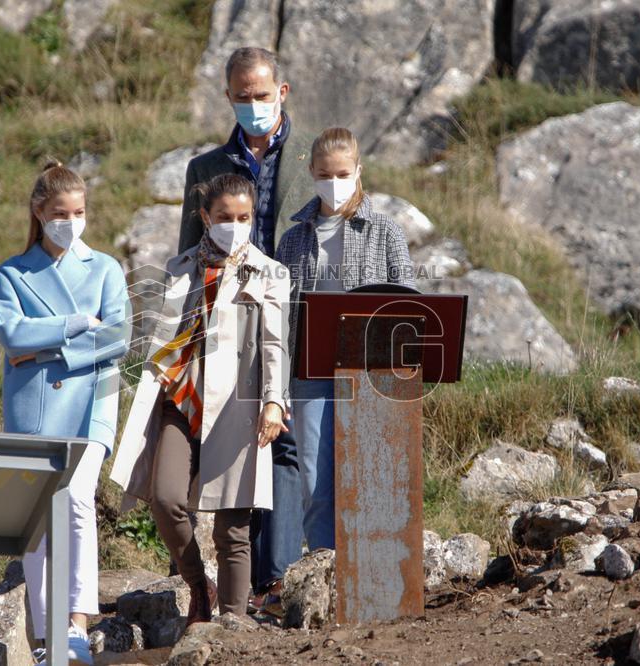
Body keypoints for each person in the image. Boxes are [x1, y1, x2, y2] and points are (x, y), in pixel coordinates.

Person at [111, 174, 290, 623]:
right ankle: (198, 586)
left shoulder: (270, 272)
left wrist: (274, 401)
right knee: (166, 496)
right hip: (180, 400)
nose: (235, 225)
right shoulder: (180, 266)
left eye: (243, 217)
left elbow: (275, 344)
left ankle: (233, 622)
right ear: (205, 217)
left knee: (234, 525)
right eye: (225, 217)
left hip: (238, 407)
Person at [179, 45, 313, 614]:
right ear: (229, 97)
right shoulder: (205, 169)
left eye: (262, 95)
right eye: (242, 97)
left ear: (282, 93)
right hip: (227, 327)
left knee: (282, 444)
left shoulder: (312, 158)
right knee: (236, 445)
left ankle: (274, 582)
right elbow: (188, 253)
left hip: (295, 314)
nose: (253, 105)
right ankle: (238, 585)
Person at [0, 161, 129, 665]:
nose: (71, 222)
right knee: (35, 516)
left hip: (91, 405)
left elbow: (118, 337)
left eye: (79, 212)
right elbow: (11, 336)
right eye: (60, 213)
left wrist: (47, 348)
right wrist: (73, 323)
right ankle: (46, 631)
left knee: (75, 501)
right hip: (34, 409)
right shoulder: (13, 272)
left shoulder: (106, 268)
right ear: (38, 212)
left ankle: (75, 624)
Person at [276, 127, 415, 551]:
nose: (333, 183)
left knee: (370, 480)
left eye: (341, 173)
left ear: (358, 171)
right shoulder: (293, 239)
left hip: (371, 374)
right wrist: (277, 388)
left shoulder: (386, 232)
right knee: (316, 484)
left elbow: (409, 304)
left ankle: (371, 577)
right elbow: (278, 318)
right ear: (312, 174)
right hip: (311, 373)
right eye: (324, 174)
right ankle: (324, 574)